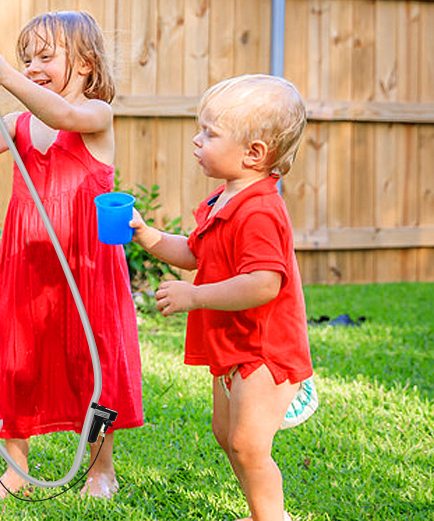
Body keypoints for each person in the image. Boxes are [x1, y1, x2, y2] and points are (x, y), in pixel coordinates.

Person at [0, 10, 144, 499]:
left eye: (46, 56)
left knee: (92, 358)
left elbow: (61, 116)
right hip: (28, 258)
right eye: (26, 58)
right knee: (15, 359)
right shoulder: (20, 122)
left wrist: (7, 74)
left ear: (84, 64)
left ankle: (100, 467)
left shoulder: (95, 115)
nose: (33, 65)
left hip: (88, 260)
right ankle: (15, 465)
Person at [129, 73, 312, 521]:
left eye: (210, 133)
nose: (197, 140)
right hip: (233, 341)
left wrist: (196, 297)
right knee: (226, 433)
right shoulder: (223, 199)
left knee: (249, 444)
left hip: (263, 347)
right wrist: (148, 236)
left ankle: (272, 517)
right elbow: (196, 251)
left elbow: (265, 282)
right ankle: (259, 512)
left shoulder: (260, 211)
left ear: (254, 153)